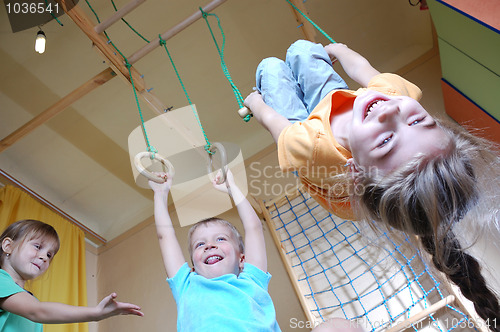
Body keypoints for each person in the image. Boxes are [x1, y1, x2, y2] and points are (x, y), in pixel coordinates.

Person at [244, 40, 500, 328]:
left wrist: (256, 103)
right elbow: (362, 68)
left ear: (356, 170)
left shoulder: (310, 147)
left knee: (269, 68)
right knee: (301, 50)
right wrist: (339, 50)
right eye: (417, 121)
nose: (390, 113)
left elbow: (275, 123)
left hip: (315, 143)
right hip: (338, 104)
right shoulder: (391, 99)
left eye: (386, 140)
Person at [148, 169, 281, 331]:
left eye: (220, 239)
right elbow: (165, 236)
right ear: (193, 268)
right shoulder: (186, 285)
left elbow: (254, 228)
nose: (209, 245)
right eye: (199, 244)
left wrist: (233, 188)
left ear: (242, 260)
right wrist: (160, 194)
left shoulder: (253, 281)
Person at [0, 219, 143, 331]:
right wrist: (95, 313)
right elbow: (37, 311)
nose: (44, 257)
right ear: (8, 246)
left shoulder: (32, 302)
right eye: (38, 246)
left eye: (50, 255)